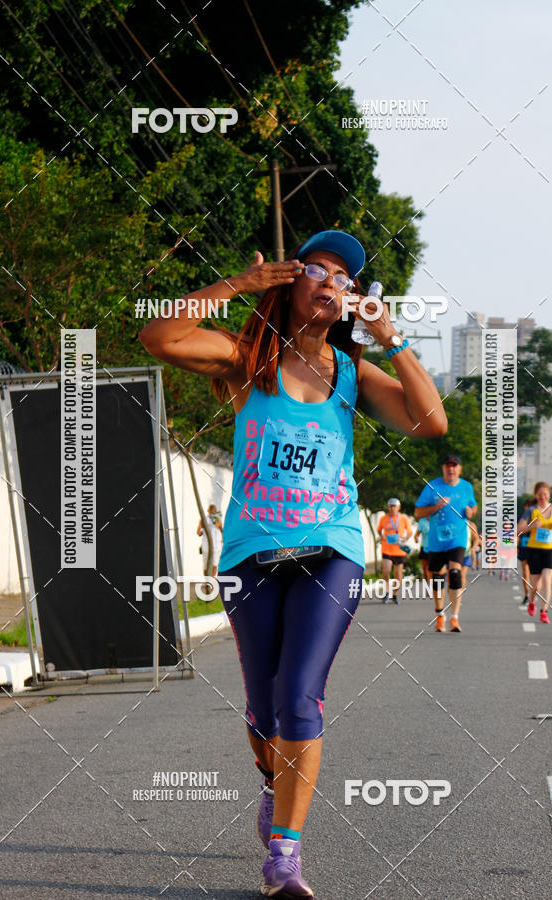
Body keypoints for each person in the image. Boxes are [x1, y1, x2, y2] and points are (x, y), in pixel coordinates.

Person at [139, 229, 447, 898]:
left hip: (331, 550)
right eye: (317, 268)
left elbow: (431, 422)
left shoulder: (353, 376)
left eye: (346, 278)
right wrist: (236, 286)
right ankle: (273, 784)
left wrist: (391, 339)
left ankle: (284, 857)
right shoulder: (248, 360)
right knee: (260, 711)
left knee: (298, 695)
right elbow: (159, 339)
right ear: (290, 281)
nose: (331, 282)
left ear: (352, 300)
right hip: (251, 554)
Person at [414, 455, 477, 633]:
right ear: (443, 468)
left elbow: (473, 507)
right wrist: (436, 507)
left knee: (455, 573)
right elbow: (418, 512)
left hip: (457, 539)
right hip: (436, 540)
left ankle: (454, 618)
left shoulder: (466, 486)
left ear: (459, 469)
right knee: (438, 578)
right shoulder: (432, 487)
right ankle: (440, 614)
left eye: (454, 466)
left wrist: (470, 511)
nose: (451, 469)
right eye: (448, 466)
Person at [517, 482, 552, 624]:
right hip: (534, 549)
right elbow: (519, 529)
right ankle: (532, 601)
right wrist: (531, 526)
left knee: (547, 579)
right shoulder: (531, 510)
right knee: (535, 584)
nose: (543, 497)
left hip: (551, 549)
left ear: (549, 494)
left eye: (545, 494)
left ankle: (544, 611)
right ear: (536, 495)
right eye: (540, 494)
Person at [377, 498, 413, 604]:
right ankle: (387, 592)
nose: (392, 508)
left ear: (398, 507)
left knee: (398, 576)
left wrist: (406, 538)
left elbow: (410, 532)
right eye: (390, 506)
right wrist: (382, 536)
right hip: (387, 549)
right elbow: (379, 529)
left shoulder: (403, 518)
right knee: (386, 571)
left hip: (399, 550)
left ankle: (394, 594)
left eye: (394, 506)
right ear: (388, 507)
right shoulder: (384, 518)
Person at [197, 504, 223, 577]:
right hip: (215, 546)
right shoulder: (218, 521)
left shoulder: (203, 520)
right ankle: (210, 581)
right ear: (215, 511)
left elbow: (198, 532)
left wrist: (203, 532)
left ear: (208, 511)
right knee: (214, 564)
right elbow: (222, 531)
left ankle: (208, 581)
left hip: (207, 546)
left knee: (206, 565)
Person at [517, 498, 534, 605]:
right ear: (525, 507)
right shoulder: (521, 519)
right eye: (529, 506)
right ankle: (527, 594)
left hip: (536, 547)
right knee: (526, 573)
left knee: (535, 573)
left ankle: (533, 594)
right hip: (524, 547)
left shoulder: (538, 518)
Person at [462, 520, 480, 591]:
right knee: (452, 577)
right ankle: (453, 594)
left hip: (466, 553)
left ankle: (458, 597)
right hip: (452, 553)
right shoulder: (451, 522)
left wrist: (474, 548)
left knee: (462, 575)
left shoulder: (470, 524)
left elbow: (476, 538)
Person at [415, 514, 431, 584]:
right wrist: (416, 538)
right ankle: (427, 586)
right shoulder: (422, 521)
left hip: (434, 549)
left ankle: (433, 587)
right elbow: (417, 534)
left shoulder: (436, 519)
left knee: (432, 569)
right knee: (425, 570)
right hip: (424, 547)